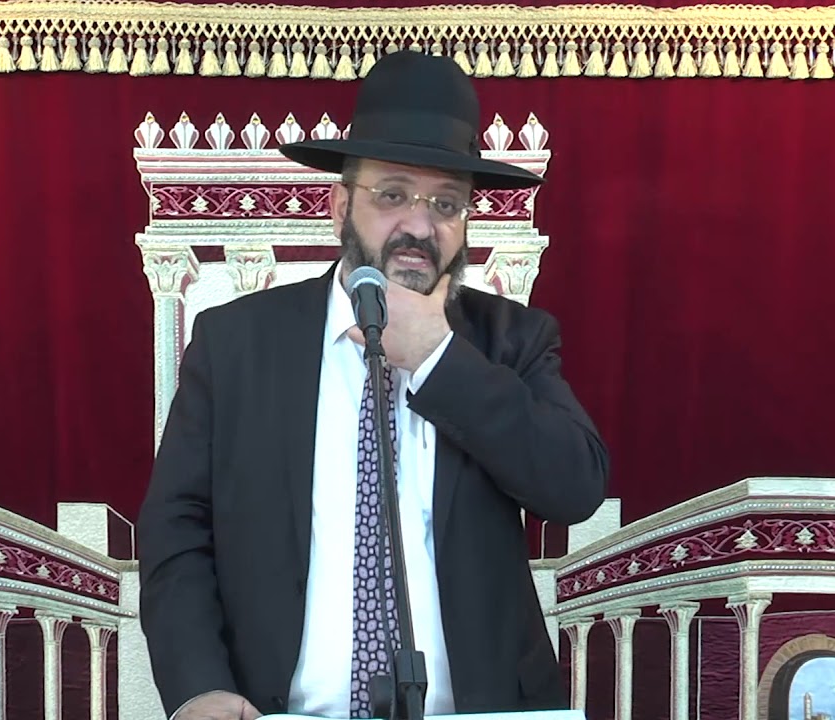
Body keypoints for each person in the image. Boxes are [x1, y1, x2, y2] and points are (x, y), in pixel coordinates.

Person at [137, 50, 609, 720]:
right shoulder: (235, 344)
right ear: (340, 208)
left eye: (446, 203)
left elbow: (574, 487)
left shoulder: (511, 339)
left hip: (476, 713)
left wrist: (438, 357)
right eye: (392, 194)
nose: (419, 225)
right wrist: (198, 686)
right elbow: (176, 530)